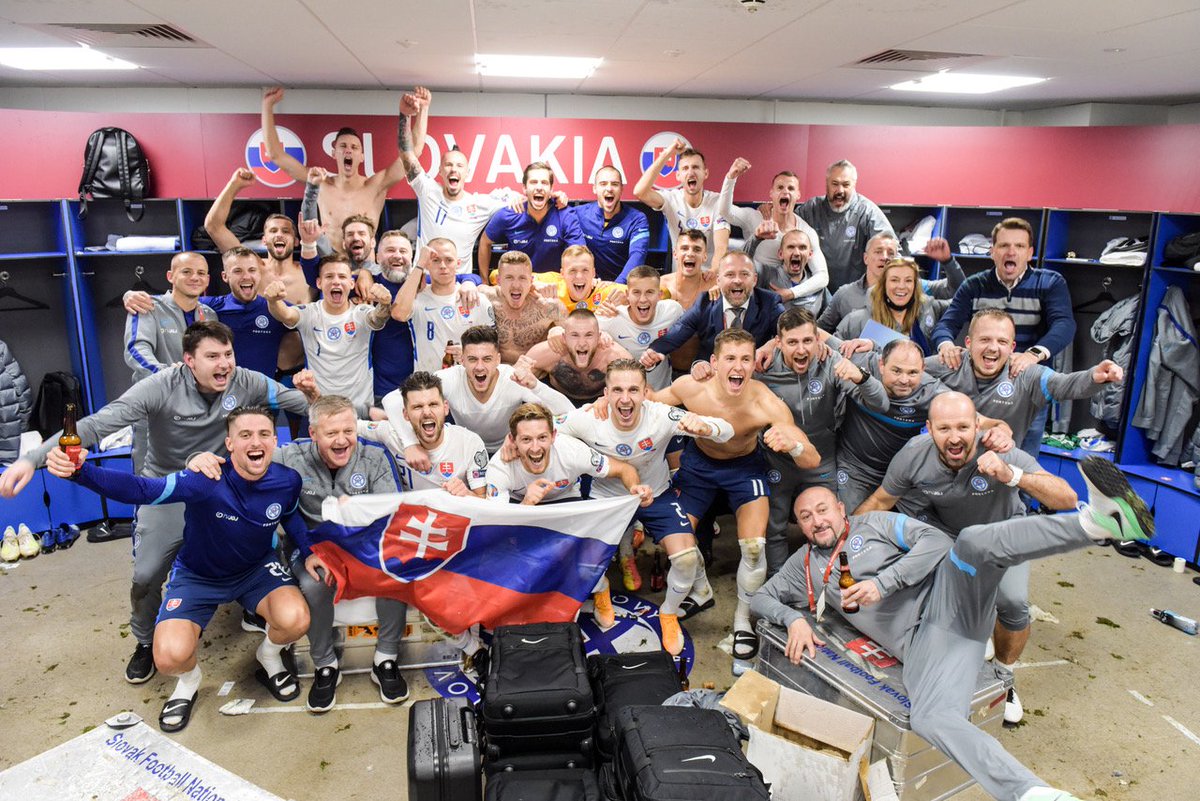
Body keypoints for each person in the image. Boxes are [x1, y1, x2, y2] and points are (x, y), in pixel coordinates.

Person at [752, 459, 1154, 801]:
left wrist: (884, 583)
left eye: (822, 510)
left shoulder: (873, 523)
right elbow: (761, 598)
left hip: (948, 599)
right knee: (931, 719)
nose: (817, 521)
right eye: (806, 517)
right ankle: (1032, 793)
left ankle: (1095, 524)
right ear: (799, 525)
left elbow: (934, 541)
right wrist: (793, 618)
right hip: (925, 646)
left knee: (972, 544)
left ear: (841, 509)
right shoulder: (803, 564)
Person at [1, 322, 316, 684]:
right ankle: (145, 639)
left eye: (228, 354)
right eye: (212, 356)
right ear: (189, 360)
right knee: (147, 575)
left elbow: (307, 406)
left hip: (219, 489)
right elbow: (97, 424)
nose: (224, 364)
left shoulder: (247, 381)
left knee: (256, 546)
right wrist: (32, 459)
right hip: (166, 489)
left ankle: (252, 605)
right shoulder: (160, 386)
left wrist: (316, 396)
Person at [46, 406, 311, 731]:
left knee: (296, 619)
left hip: (256, 571)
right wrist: (81, 472)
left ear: (274, 440)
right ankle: (188, 683)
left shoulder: (287, 480)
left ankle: (268, 657)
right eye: (245, 435)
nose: (255, 442)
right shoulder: (205, 480)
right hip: (198, 577)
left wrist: (310, 553)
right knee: (169, 657)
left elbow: (291, 516)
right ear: (229, 443)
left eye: (264, 434)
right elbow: (143, 490)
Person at [854, 392, 1079, 724]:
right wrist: (844, 537)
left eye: (962, 427)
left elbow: (1067, 498)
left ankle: (1004, 678)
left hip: (1003, 534)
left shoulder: (1001, 450)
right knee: (926, 590)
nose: (954, 437)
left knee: (1013, 602)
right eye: (944, 428)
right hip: (950, 534)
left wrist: (1011, 475)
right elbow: (880, 502)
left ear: (977, 425)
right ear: (929, 428)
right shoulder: (914, 454)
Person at [230, 395, 408, 712]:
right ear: (313, 433)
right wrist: (202, 460)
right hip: (312, 547)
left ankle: (386, 658)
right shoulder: (289, 457)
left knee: (394, 570)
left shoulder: (375, 456)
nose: (342, 440)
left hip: (365, 542)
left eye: (348, 431)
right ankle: (325, 664)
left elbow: (391, 513)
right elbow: (246, 463)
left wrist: (358, 513)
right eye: (331, 433)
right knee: (315, 584)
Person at [651, 328, 819, 661]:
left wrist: (794, 445)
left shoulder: (765, 401)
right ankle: (701, 590)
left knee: (754, 549)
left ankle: (743, 619)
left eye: (745, 359)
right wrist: (606, 403)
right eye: (730, 358)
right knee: (677, 547)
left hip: (744, 469)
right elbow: (646, 405)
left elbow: (811, 459)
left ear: (754, 364)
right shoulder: (691, 387)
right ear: (714, 363)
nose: (738, 366)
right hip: (697, 467)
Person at [558, 359, 733, 653]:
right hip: (607, 499)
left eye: (633, 390)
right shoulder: (589, 417)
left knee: (687, 559)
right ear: (606, 393)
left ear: (645, 393)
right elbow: (550, 431)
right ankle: (602, 593)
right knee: (584, 561)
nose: (625, 399)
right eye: (617, 390)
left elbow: (727, 430)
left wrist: (706, 426)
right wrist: (585, 458)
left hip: (657, 493)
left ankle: (668, 613)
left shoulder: (660, 414)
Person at [486, 402, 652, 628]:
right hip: (519, 509)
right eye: (526, 440)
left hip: (565, 502)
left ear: (553, 436)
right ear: (513, 441)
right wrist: (526, 504)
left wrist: (635, 488)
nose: (535, 448)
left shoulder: (572, 450)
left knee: (582, 561)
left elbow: (624, 469)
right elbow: (496, 527)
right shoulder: (499, 467)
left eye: (542, 438)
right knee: (509, 561)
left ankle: (600, 587)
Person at [755, 308, 887, 575]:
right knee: (774, 526)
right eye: (792, 342)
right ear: (779, 343)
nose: (801, 349)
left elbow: (881, 404)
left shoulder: (830, 361)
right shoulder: (762, 366)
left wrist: (861, 377)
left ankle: (831, 578)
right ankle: (779, 581)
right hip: (778, 460)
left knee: (831, 521)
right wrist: (702, 366)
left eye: (807, 341)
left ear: (818, 339)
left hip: (821, 458)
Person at [931, 218, 1076, 457]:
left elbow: (1064, 325)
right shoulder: (974, 285)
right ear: (992, 251)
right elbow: (946, 324)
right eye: (1004, 245)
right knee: (970, 456)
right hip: (980, 389)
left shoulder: (1050, 283)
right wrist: (946, 345)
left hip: (1026, 390)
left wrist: (1033, 354)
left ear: (1029, 252)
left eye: (1019, 246)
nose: (1011, 252)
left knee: (1021, 460)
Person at [834, 338, 1013, 514]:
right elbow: (821, 338)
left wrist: (1002, 429)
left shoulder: (932, 392)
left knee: (921, 527)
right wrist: (868, 344)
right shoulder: (862, 362)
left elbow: (981, 421)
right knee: (850, 521)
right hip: (855, 468)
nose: (904, 380)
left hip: (903, 475)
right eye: (896, 371)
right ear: (881, 365)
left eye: (913, 373)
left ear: (923, 369)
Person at [259, 86, 428, 252]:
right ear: (334, 153)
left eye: (354, 147)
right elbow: (276, 155)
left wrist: (423, 109)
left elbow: (413, 153)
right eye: (343, 146)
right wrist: (266, 106)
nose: (348, 150)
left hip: (365, 266)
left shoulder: (376, 185)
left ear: (362, 156)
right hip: (331, 265)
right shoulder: (321, 183)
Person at [927, 309, 1125, 445]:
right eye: (985, 339)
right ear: (968, 343)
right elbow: (911, 370)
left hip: (999, 474)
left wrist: (1094, 376)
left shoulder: (1026, 374)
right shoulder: (950, 363)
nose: (993, 348)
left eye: (1002, 341)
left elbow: (1064, 385)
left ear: (1012, 347)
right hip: (945, 471)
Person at [381, 326, 573, 463]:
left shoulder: (512, 378)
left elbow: (567, 411)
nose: (479, 367)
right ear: (462, 360)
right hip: (465, 452)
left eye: (487, 359)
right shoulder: (449, 378)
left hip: (510, 452)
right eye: (472, 359)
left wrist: (536, 385)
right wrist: (410, 444)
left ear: (498, 359)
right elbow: (391, 400)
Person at [397, 89, 520, 272]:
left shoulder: (479, 204)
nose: (454, 169)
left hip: (460, 284)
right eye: (448, 165)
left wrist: (519, 197)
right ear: (440, 171)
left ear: (467, 173)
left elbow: (525, 197)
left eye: (459, 166)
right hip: (424, 281)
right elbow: (407, 155)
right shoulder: (427, 191)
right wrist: (405, 115)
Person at [265, 254, 394, 416]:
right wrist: (273, 301)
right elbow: (286, 314)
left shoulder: (361, 313)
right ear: (319, 283)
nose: (336, 281)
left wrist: (384, 304)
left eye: (342, 276)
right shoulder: (309, 313)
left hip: (359, 410)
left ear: (351, 283)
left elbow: (377, 318)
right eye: (329, 276)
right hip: (321, 409)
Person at [643, 251, 784, 368]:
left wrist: (772, 344)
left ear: (754, 280)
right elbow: (677, 331)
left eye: (744, 274)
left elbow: (791, 330)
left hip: (753, 381)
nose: (737, 280)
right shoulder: (704, 302)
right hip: (709, 380)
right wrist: (655, 351)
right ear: (718, 280)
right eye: (730, 275)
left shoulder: (769, 302)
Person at [717, 159, 828, 297]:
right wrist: (731, 177)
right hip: (754, 291)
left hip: (787, 296)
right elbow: (725, 212)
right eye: (780, 188)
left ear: (798, 195)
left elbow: (822, 276)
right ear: (771, 193)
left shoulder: (806, 232)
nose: (785, 191)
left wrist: (791, 293)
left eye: (791, 188)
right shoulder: (755, 218)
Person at [203, 167, 314, 304]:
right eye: (273, 231)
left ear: (296, 241)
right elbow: (213, 226)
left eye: (285, 231)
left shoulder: (309, 273)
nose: (279, 235)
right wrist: (234, 185)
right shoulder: (251, 267)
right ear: (264, 240)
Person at [368, 372, 488, 495]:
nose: (426, 412)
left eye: (433, 404)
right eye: (418, 407)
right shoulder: (391, 435)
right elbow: (356, 426)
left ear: (445, 408)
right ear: (405, 414)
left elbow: (483, 500)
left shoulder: (469, 443)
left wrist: (466, 493)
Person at [818, 232, 964, 332]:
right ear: (866, 258)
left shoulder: (914, 287)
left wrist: (948, 261)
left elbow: (958, 290)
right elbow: (819, 331)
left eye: (891, 253)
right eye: (878, 251)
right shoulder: (845, 294)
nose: (885, 257)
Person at [392, 238, 495, 373]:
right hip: (428, 381)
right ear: (427, 264)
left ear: (458, 263)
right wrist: (420, 264)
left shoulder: (477, 299)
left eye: (449, 260)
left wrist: (470, 353)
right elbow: (398, 314)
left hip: (468, 380)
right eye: (436, 260)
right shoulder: (417, 298)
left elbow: (493, 346)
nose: (442, 265)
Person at [796, 159, 892, 292]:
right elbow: (787, 226)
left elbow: (890, 248)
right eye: (835, 184)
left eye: (846, 185)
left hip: (856, 293)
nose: (840, 190)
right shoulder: (811, 210)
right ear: (827, 184)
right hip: (816, 291)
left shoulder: (867, 212)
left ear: (854, 185)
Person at [634, 138, 730, 270]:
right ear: (678, 176)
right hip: (680, 277)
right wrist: (667, 154)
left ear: (705, 173)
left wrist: (713, 274)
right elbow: (640, 192)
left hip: (709, 276)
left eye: (696, 167)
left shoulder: (718, 201)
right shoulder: (671, 199)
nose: (691, 172)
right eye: (685, 168)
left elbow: (721, 247)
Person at [478, 161, 583, 278]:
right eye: (533, 182)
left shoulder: (566, 215)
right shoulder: (508, 215)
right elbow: (485, 242)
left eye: (544, 183)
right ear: (524, 188)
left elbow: (580, 254)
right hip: (518, 284)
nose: (539, 187)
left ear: (551, 189)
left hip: (553, 285)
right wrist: (484, 282)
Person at [124, 252, 218, 382]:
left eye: (201, 273)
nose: (195, 278)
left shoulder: (210, 314)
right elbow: (137, 349)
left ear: (207, 280)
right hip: (159, 389)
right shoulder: (146, 306)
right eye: (186, 272)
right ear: (170, 276)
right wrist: (166, 376)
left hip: (199, 391)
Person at [835, 256, 953, 356]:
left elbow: (960, 302)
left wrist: (949, 262)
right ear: (884, 284)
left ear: (915, 285)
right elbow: (833, 357)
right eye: (894, 280)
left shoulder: (928, 308)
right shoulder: (856, 321)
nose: (901, 286)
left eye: (908, 280)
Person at [595, 266, 685, 391]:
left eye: (649, 292)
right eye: (636, 292)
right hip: (623, 396)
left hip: (662, 394)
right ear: (627, 295)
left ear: (660, 295)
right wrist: (599, 333)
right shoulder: (609, 318)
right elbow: (582, 331)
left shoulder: (673, 310)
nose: (643, 299)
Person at [522, 309, 633, 405]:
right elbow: (517, 384)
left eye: (589, 335)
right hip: (555, 402)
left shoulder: (615, 357)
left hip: (600, 406)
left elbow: (638, 393)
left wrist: (608, 402)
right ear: (564, 338)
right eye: (575, 335)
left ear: (599, 337)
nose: (582, 343)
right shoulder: (548, 353)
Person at [480, 251, 567, 364]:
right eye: (509, 277)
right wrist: (468, 284)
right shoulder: (485, 297)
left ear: (531, 280)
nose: (516, 285)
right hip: (495, 370)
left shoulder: (548, 305)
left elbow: (574, 337)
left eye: (522, 278)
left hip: (534, 370)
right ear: (498, 280)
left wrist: (557, 331)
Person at [574, 165, 651, 283]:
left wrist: (616, 286)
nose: (609, 188)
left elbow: (638, 255)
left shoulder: (637, 219)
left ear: (621, 189)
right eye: (603, 184)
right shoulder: (578, 214)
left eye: (615, 184)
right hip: (587, 285)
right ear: (595, 188)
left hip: (620, 287)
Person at [659, 229, 716, 373]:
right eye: (684, 248)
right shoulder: (659, 285)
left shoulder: (715, 287)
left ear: (705, 256)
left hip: (704, 372)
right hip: (663, 371)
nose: (690, 253)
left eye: (697, 249)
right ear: (675, 254)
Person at [756, 229, 828, 315]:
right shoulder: (765, 275)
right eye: (791, 247)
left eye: (802, 247)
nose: (797, 253)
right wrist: (755, 239)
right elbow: (743, 263)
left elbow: (830, 318)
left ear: (810, 254)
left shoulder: (818, 286)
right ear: (780, 254)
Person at [550, 245, 626, 312]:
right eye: (572, 270)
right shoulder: (551, 286)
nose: (579, 276)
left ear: (593, 273)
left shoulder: (608, 292)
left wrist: (627, 299)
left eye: (585, 270)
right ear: (562, 274)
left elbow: (632, 290)